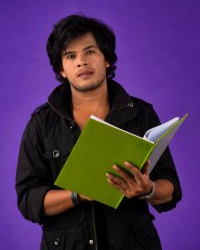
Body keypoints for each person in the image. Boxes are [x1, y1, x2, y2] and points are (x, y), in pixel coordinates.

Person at [15, 14, 182, 250]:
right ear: (62, 69)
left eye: (90, 51)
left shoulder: (142, 114)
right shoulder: (41, 124)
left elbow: (170, 188)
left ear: (106, 59)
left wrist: (148, 190)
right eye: (70, 56)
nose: (81, 61)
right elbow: (28, 200)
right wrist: (78, 194)